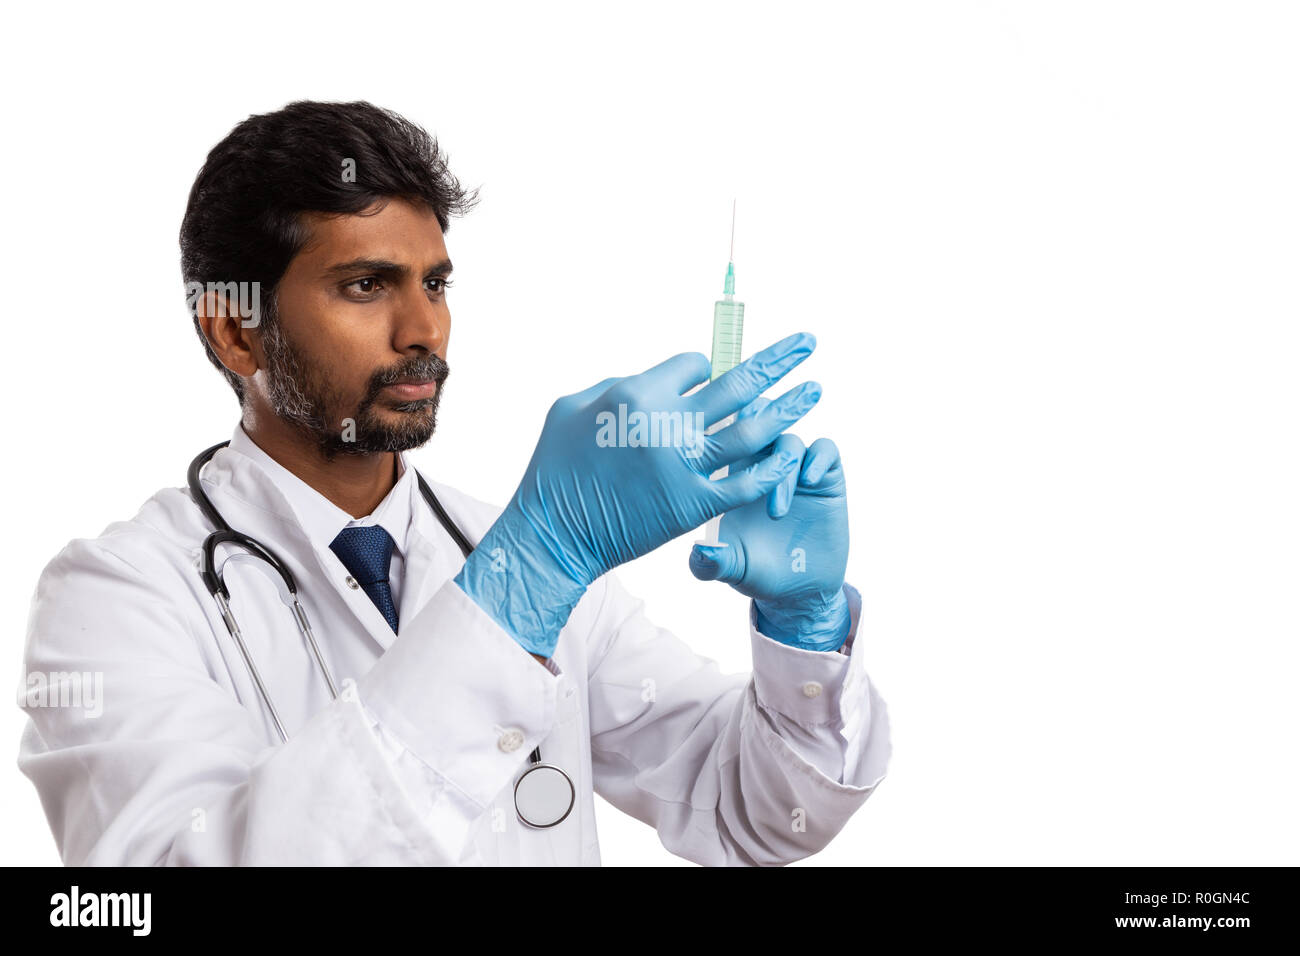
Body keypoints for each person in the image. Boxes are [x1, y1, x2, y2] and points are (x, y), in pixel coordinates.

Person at [16, 100, 891, 866]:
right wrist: (532, 573)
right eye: (366, 286)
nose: (422, 330)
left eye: (435, 283)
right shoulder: (119, 596)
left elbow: (757, 816)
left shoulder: (521, 551)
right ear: (237, 335)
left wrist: (800, 636)